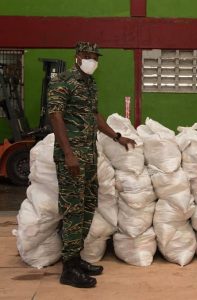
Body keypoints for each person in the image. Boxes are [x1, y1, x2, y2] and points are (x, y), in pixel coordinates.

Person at [47, 41, 136, 288]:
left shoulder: (90, 84)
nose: (92, 61)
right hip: (72, 156)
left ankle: (76, 260)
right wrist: (68, 154)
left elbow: (94, 115)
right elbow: (55, 116)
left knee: (87, 205)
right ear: (77, 56)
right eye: (88, 56)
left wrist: (117, 136)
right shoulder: (62, 81)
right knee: (73, 210)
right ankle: (68, 270)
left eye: (95, 57)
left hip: (89, 154)